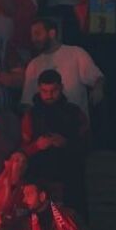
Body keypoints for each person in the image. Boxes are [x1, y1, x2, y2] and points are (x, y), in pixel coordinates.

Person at [20, 69, 90, 209]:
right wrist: (37, 146)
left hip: (69, 175)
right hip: (39, 174)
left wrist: (66, 143)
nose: (49, 95)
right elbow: (21, 150)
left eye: (54, 90)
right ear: (39, 89)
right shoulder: (31, 115)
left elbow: (87, 143)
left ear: (61, 88)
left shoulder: (74, 113)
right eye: (45, 91)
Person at [21, 18, 103, 120]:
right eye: (32, 35)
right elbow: (28, 102)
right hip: (47, 130)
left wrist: (98, 88)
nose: (33, 39)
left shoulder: (76, 53)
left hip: (75, 127)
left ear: (52, 33)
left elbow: (97, 78)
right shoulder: (33, 64)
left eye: (37, 34)